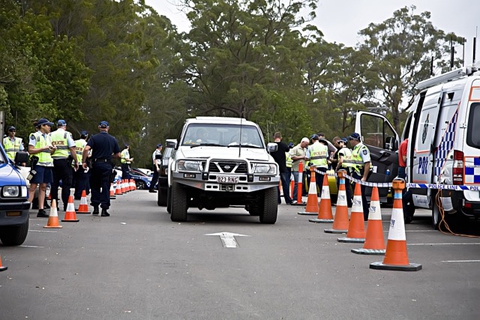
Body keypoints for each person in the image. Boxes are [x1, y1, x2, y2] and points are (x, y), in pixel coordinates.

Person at [81, 121, 121, 216]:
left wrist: (84, 161)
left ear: (99, 127)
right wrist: (110, 155)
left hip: (96, 164)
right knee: (105, 186)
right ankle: (104, 208)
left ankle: (95, 207)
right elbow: (118, 154)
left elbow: (86, 149)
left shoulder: (94, 138)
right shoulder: (112, 139)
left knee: (95, 186)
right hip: (107, 165)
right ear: (108, 128)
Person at [28, 118, 56, 217]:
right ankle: (26, 209)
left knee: (44, 186)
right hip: (38, 164)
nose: (50, 127)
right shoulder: (34, 136)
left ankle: (41, 209)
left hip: (47, 164)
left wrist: (53, 150)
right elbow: (30, 150)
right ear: (42, 126)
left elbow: (49, 151)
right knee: (33, 186)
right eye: (48, 125)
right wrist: (43, 148)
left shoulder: (49, 137)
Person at [50, 120, 78, 211]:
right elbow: (72, 148)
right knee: (66, 183)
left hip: (53, 161)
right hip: (64, 161)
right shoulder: (67, 134)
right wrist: (76, 161)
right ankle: (66, 204)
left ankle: (54, 204)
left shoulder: (51, 134)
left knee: (54, 183)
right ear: (65, 126)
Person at [348, 132, 372, 220]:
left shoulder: (363, 148)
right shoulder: (355, 149)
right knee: (357, 194)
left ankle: (365, 214)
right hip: (355, 174)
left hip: (361, 174)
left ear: (355, 140)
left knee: (360, 194)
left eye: (351, 139)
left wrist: (364, 177)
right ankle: (359, 213)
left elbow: (367, 163)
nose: (350, 141)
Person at [270, 132, 293, 204]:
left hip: (274, 167)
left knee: (276, 184)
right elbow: (287, 149)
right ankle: (288, 200)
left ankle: (277, 199)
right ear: (281, 137)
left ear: (274, 137)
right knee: (285, 184)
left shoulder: (271, 146)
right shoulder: (283, 145)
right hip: (283, 167)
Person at [289, 137, 309, 204]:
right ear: (302, 142)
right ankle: (295, 198)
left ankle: (299, 198)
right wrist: (302, 157)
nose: (306, 146)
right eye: (306, 144)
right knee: (297, 183)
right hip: (296, 169)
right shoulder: (295, 148)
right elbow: (292, 157)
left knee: (301, 184)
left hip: (303, 169)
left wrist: (306, 158)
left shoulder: (305, 149)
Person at [399, 138, 414, 223]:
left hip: (404, 169)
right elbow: (404, 158)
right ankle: (406, 215)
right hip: (404, 169)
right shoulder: (406, 144)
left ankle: (408, 215)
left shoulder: (405, 143)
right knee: (405, 195)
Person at [335, 138, 353, 207]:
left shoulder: (341, 151)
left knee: (341, 186)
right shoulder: (349, 150)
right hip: (348, 169)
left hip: (342, 169)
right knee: (347, 187)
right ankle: (349, 202)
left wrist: (337, 168)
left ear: (343, 143)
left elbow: (341, 160)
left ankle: (341, 201)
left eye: (340, 143)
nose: (339, 144)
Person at [74, 131, 90, 200]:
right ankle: (78, 194)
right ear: (86, 137)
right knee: (81, 180)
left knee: (74, 179)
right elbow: (88, 154)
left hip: (73, 162)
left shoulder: (75, 142)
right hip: (81, 163)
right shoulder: (86, 144)